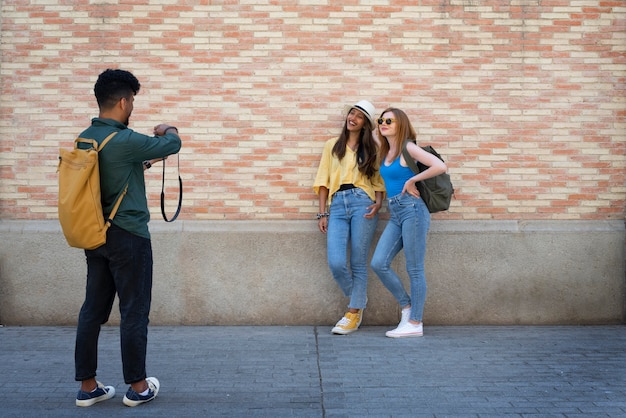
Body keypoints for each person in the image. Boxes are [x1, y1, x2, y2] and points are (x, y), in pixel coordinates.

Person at [74, 69, 181, 407]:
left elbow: (107, 174)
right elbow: (173, 144)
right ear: (123, 101)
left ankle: (88, 386)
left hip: (95, 233)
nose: (131, 106)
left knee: (92, 310)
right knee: (134, 311)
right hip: (129, 237)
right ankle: (137, 387)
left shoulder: (86, 138)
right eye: (132, 100)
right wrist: (168, 129)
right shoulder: (125, 139)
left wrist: (143, 164)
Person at [370, 107, 447, 338]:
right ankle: (407, 307)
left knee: (414, 268)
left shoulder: (408, 148)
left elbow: (440, 166)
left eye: (389, 121)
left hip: (412, 209)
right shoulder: (386, 149)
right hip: (395, 211)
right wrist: (373, 119)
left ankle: (415, 323)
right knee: (378, 263)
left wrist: (412, 179)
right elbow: (375, 131)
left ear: (401, 124)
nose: (383, 124)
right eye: (381, 120)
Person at [313, 100, 385, 335]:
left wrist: (378, 203)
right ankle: (359, 298)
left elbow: (377, 181)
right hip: (337, 204)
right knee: (336, 262)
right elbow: (323, 180)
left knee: (358, 262)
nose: (352, 118)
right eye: (351, 113)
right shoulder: (332, 146)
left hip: (362, 203)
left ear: (365, 124)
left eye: (359, 116)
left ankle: (353, 313)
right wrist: (323, 212)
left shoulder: (370, 150)